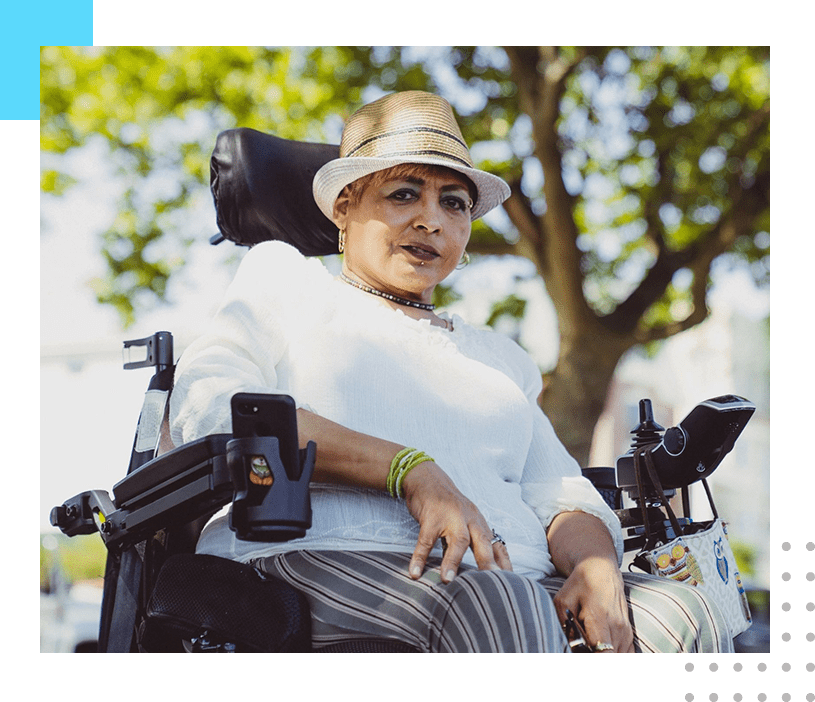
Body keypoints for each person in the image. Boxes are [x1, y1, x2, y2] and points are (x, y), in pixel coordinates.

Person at [170, 90, 733, 653]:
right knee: (502, 607)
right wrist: (408, 470)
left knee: (680, 611)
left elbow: (562, 495)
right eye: (404, 194)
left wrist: (597, 567)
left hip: (516, 580)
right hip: (329, 556)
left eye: (455, 203)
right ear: (343, 206)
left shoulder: (499, 357)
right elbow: (210, 405)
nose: (431, 220)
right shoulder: (287, 283)